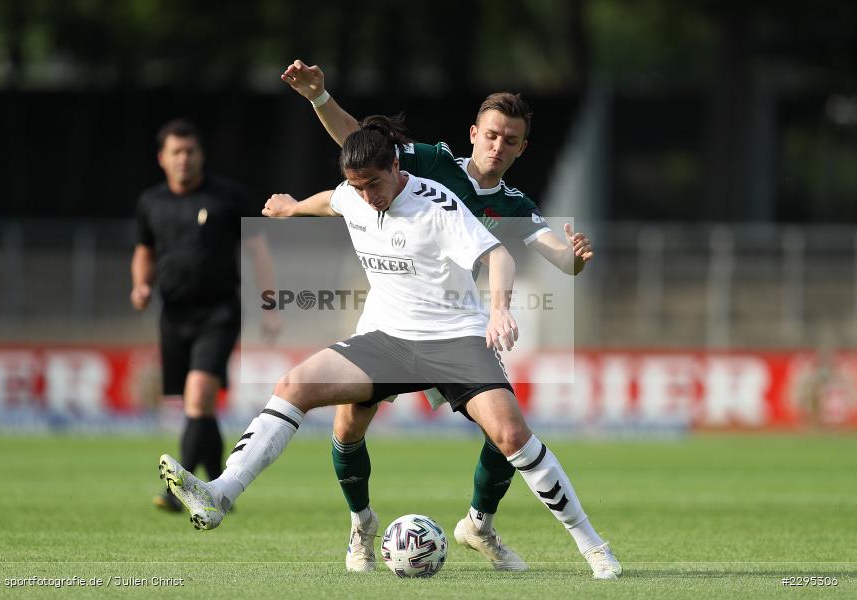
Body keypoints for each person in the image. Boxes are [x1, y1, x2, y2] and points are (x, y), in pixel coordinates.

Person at [159, 126, 621, 582]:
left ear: (396, 168)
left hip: (453, 339)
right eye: (357, 187)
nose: (366, 196)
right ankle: (225, 493)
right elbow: (332, 199)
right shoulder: (353, 193)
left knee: (511, 436)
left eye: (374, 185)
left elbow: (499, 256)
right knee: (296, 389)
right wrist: (294, 208)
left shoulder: (436, 204)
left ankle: (593, 547)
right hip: (387, 340)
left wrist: (499, 311)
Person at [278, 60, 617, 579]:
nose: (498, 146)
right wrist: (320, 99)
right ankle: (359, 524)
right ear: (474, 134)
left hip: (457, 327)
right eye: (492, 134)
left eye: (511, 140)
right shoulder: (434, 164)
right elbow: (361, 145)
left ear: (522, 148)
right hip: (391, 319)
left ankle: (479, 523)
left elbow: (560, 258)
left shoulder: (513, 203)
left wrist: (574, 256)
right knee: (349, 426)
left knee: (506, 432)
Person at [132, 118, 281, 512]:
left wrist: (270, 305)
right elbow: (145, 251)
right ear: (162, 158)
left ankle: (177, 492)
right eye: (176, 152)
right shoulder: (151, 202)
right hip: (173, 314)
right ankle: (220, 485)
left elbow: (258, 250)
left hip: (219, 312)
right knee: (199, 406)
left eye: (190, 151)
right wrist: (141, 285)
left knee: (198, 398)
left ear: (201, 155)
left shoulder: (226, 198)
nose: (184, 159)